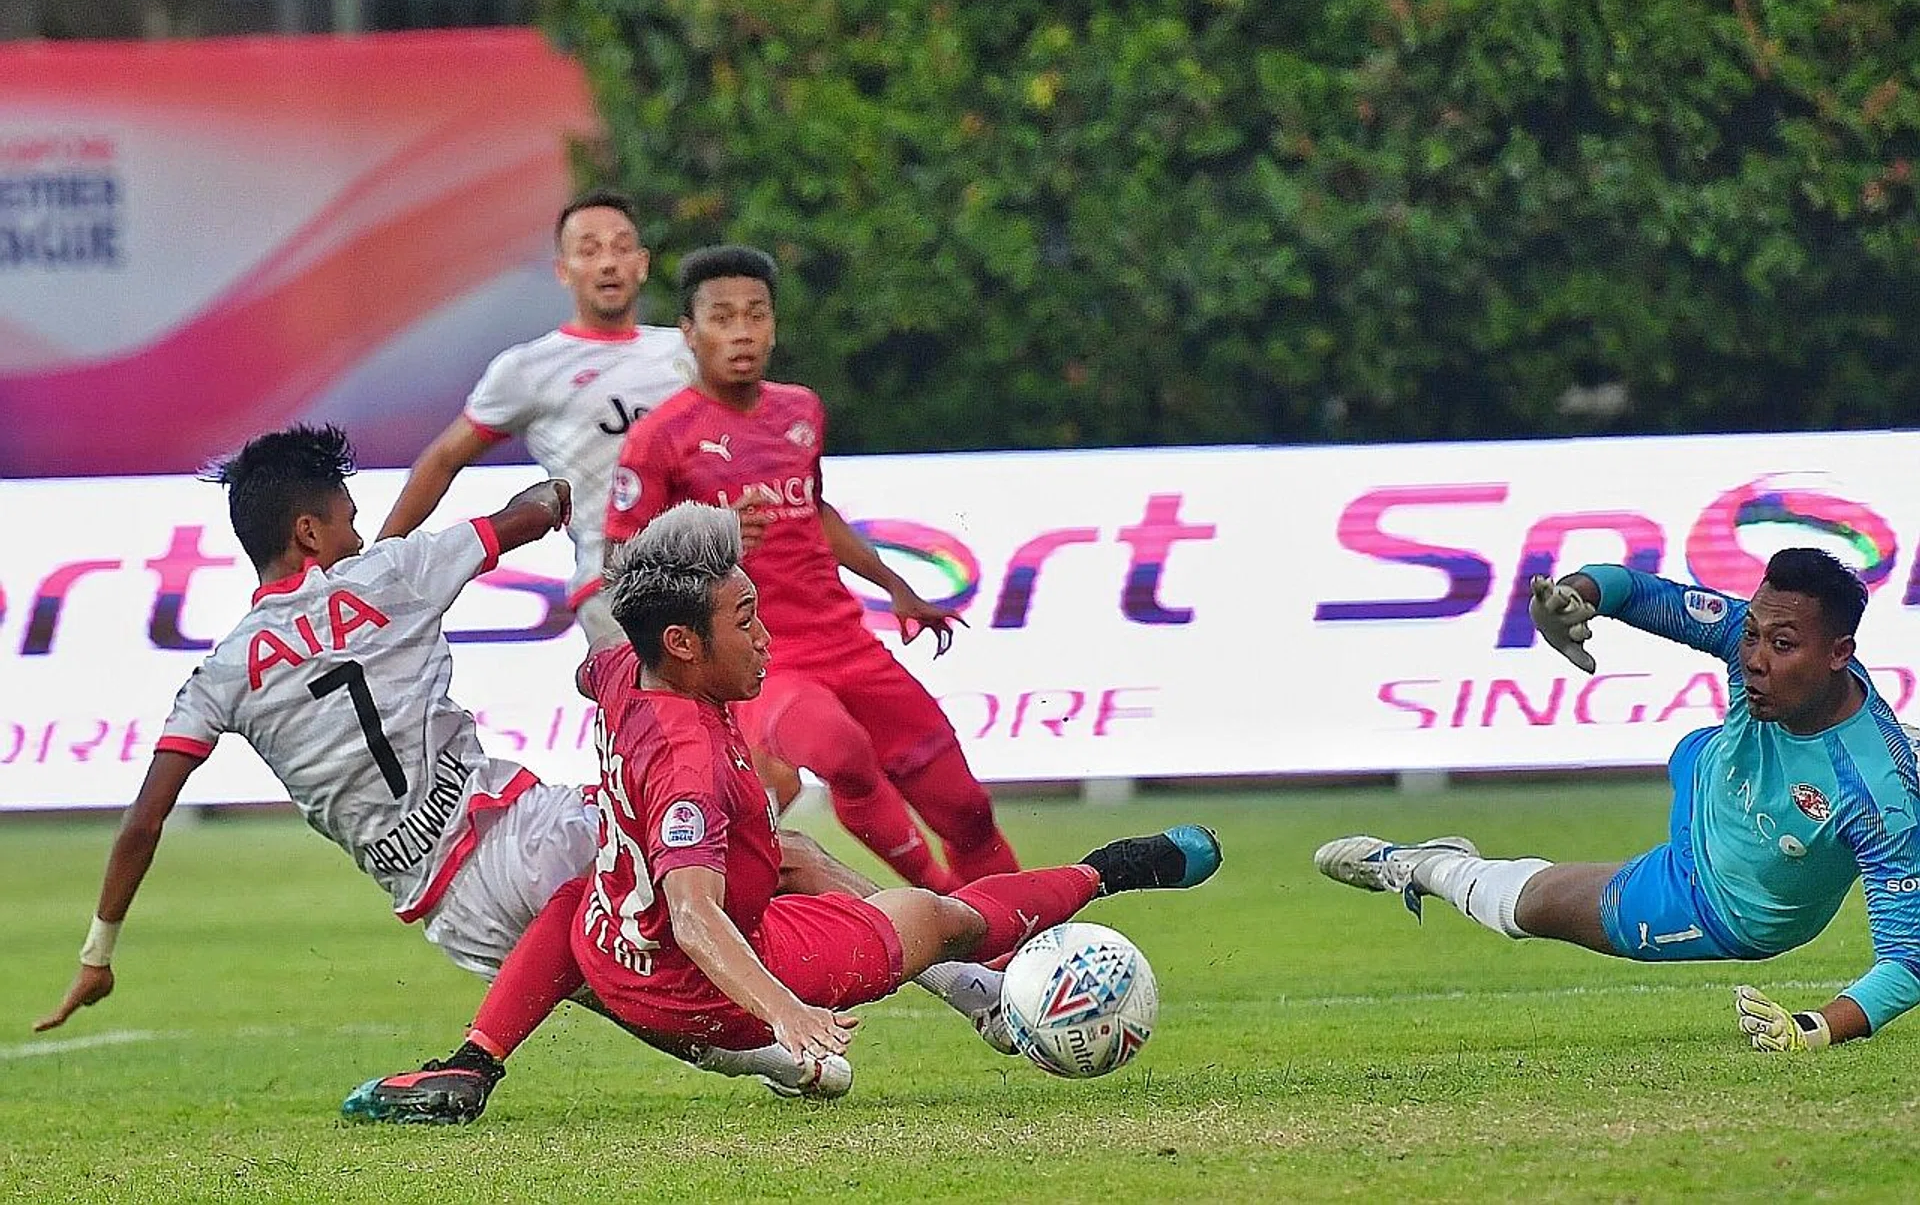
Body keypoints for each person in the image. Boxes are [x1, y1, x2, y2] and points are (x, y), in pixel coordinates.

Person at [36, 426, 1002, 1110]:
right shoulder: (394, 573)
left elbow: (143, 821)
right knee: (771, 852)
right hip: (516, 827)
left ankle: (781, 1063)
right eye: (349, 519)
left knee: (620, 974)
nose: (362, 536)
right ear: (310, 534)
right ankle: (972, 992)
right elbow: (528, 512)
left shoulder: (218, 675)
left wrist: (97, 952)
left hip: (444, 908)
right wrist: (572, 479)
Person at [553, 504, 1221, 1082]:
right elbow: (696, 918)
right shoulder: (688, 765)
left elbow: (592, 674)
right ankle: (1112, 869)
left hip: (618, 945)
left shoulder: (626, 668)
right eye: (745, 621)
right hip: (704, 988)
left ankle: (977, 994)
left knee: (793, 852)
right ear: (683, 644)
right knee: (944, 919)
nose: (765, 638)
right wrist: (786, 1012)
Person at [1314, 547, 1920, 1053]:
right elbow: (1631, 588)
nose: (1756, 659)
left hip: (1716, 896)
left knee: (1538, 907)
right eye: (1754, 636)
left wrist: (1813, 1029)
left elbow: (1907, 962)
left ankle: (1426, 865)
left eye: (1781, 646)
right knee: (1697, 746)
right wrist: (1574, 599)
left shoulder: (1876, 796)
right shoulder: (1753, 643)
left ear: (1841, 653)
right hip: (1713, 777)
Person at [603, 245, 1016, 893]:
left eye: (755, 314)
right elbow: (620, 564)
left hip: (846, 641)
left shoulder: (799, 409)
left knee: (967, 809)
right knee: (835, 747)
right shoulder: (660, 437)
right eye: (722, 316)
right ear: (689, 331)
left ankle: (1021, 940)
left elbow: (813, 509)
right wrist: (712, 535)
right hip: (758, 654)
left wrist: (896, 588)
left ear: (772, 325)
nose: (741, 331)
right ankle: (942, 902)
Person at [378, 188, 693, 644]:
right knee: (656, 716)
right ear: (563, 271)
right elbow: (443, 458)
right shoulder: (528, 369)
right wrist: (374, 562)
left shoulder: (687, 351)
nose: (608, 262)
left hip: (714, 574)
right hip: (617, 586)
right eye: (589, 250)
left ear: (642, 263)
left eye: (621, 248)